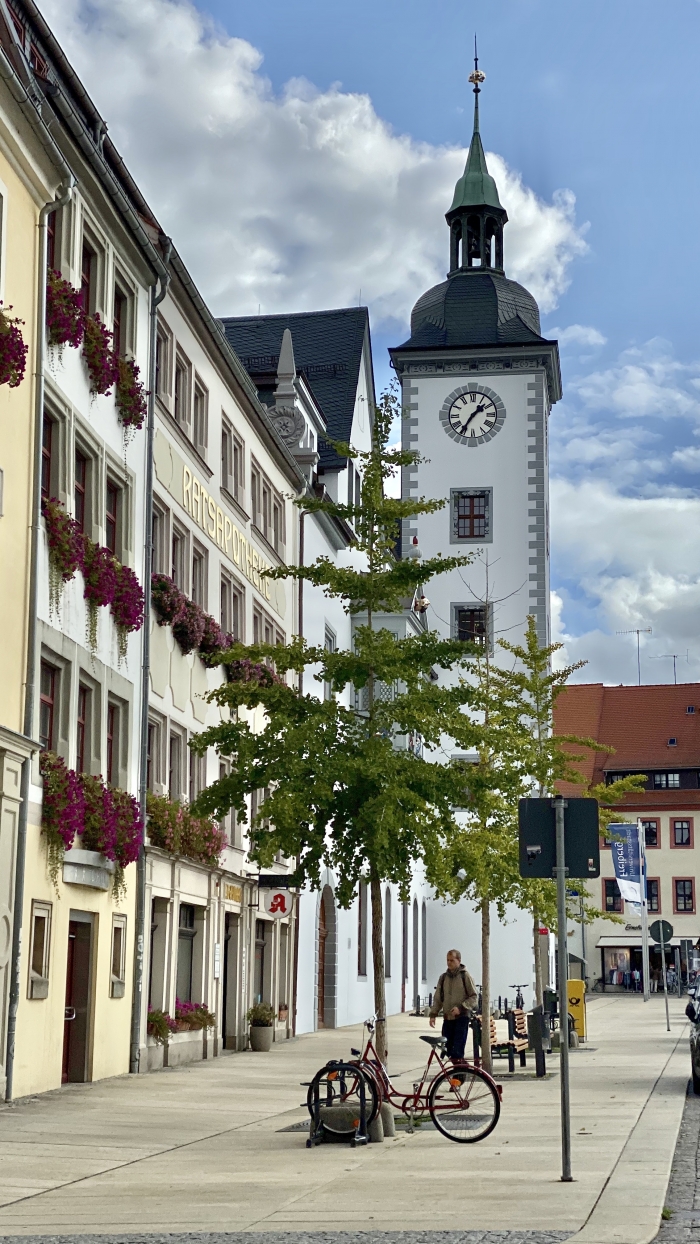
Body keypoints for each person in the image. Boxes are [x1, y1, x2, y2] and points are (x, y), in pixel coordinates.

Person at [429, 948, 477, 1060]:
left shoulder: (465, 976)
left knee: (457, 1052)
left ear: (459, 960)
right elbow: (438, 998)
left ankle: (461, 1075)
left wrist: (461, 1008)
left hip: (461, 1019)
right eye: (447, 960)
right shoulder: (443, 978)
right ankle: (458, 1073)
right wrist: (433, 1014)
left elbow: (474, 996)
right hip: (448, 1019)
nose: (449, 963)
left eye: (452, 960)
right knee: (448, 1050)